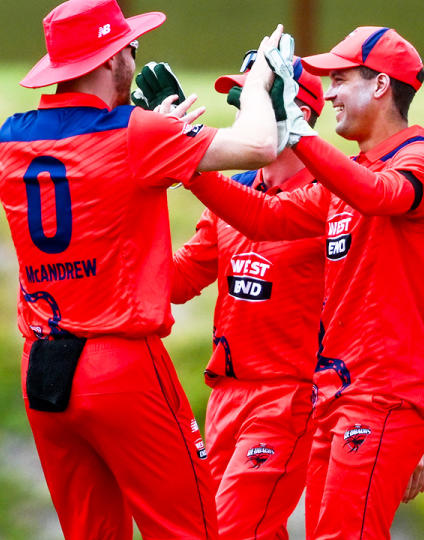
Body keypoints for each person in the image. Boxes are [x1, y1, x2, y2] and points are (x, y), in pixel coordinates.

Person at [0, 0, 289, 536]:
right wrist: (255, 87)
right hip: (121, 367)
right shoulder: (139, 133)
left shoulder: (11, 138)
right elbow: (261, 145)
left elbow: (91, 164)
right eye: (128, 44)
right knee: (191, 529)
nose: (135, 50)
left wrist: (160, 135)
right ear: (109, 60)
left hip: (42, 369)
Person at [181, 27, 424, 539]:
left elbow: (378, 195)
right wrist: (186, 155)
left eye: (342, 79)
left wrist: (301, 131)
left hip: (381, 392)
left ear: (380, 87)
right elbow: (261, 219)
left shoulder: (423, 162)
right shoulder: (347, 175)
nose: (330, 94)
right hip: (337, 392)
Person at [169, 52, 325, 539]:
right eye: (240, 102)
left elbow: (380, 306)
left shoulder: (333, 196)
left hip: (290, 397)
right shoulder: (234, 194)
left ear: (290, 111)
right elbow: (174, 283)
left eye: (250, 101)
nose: (240, 116)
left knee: (235, 531)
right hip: (226, 396)